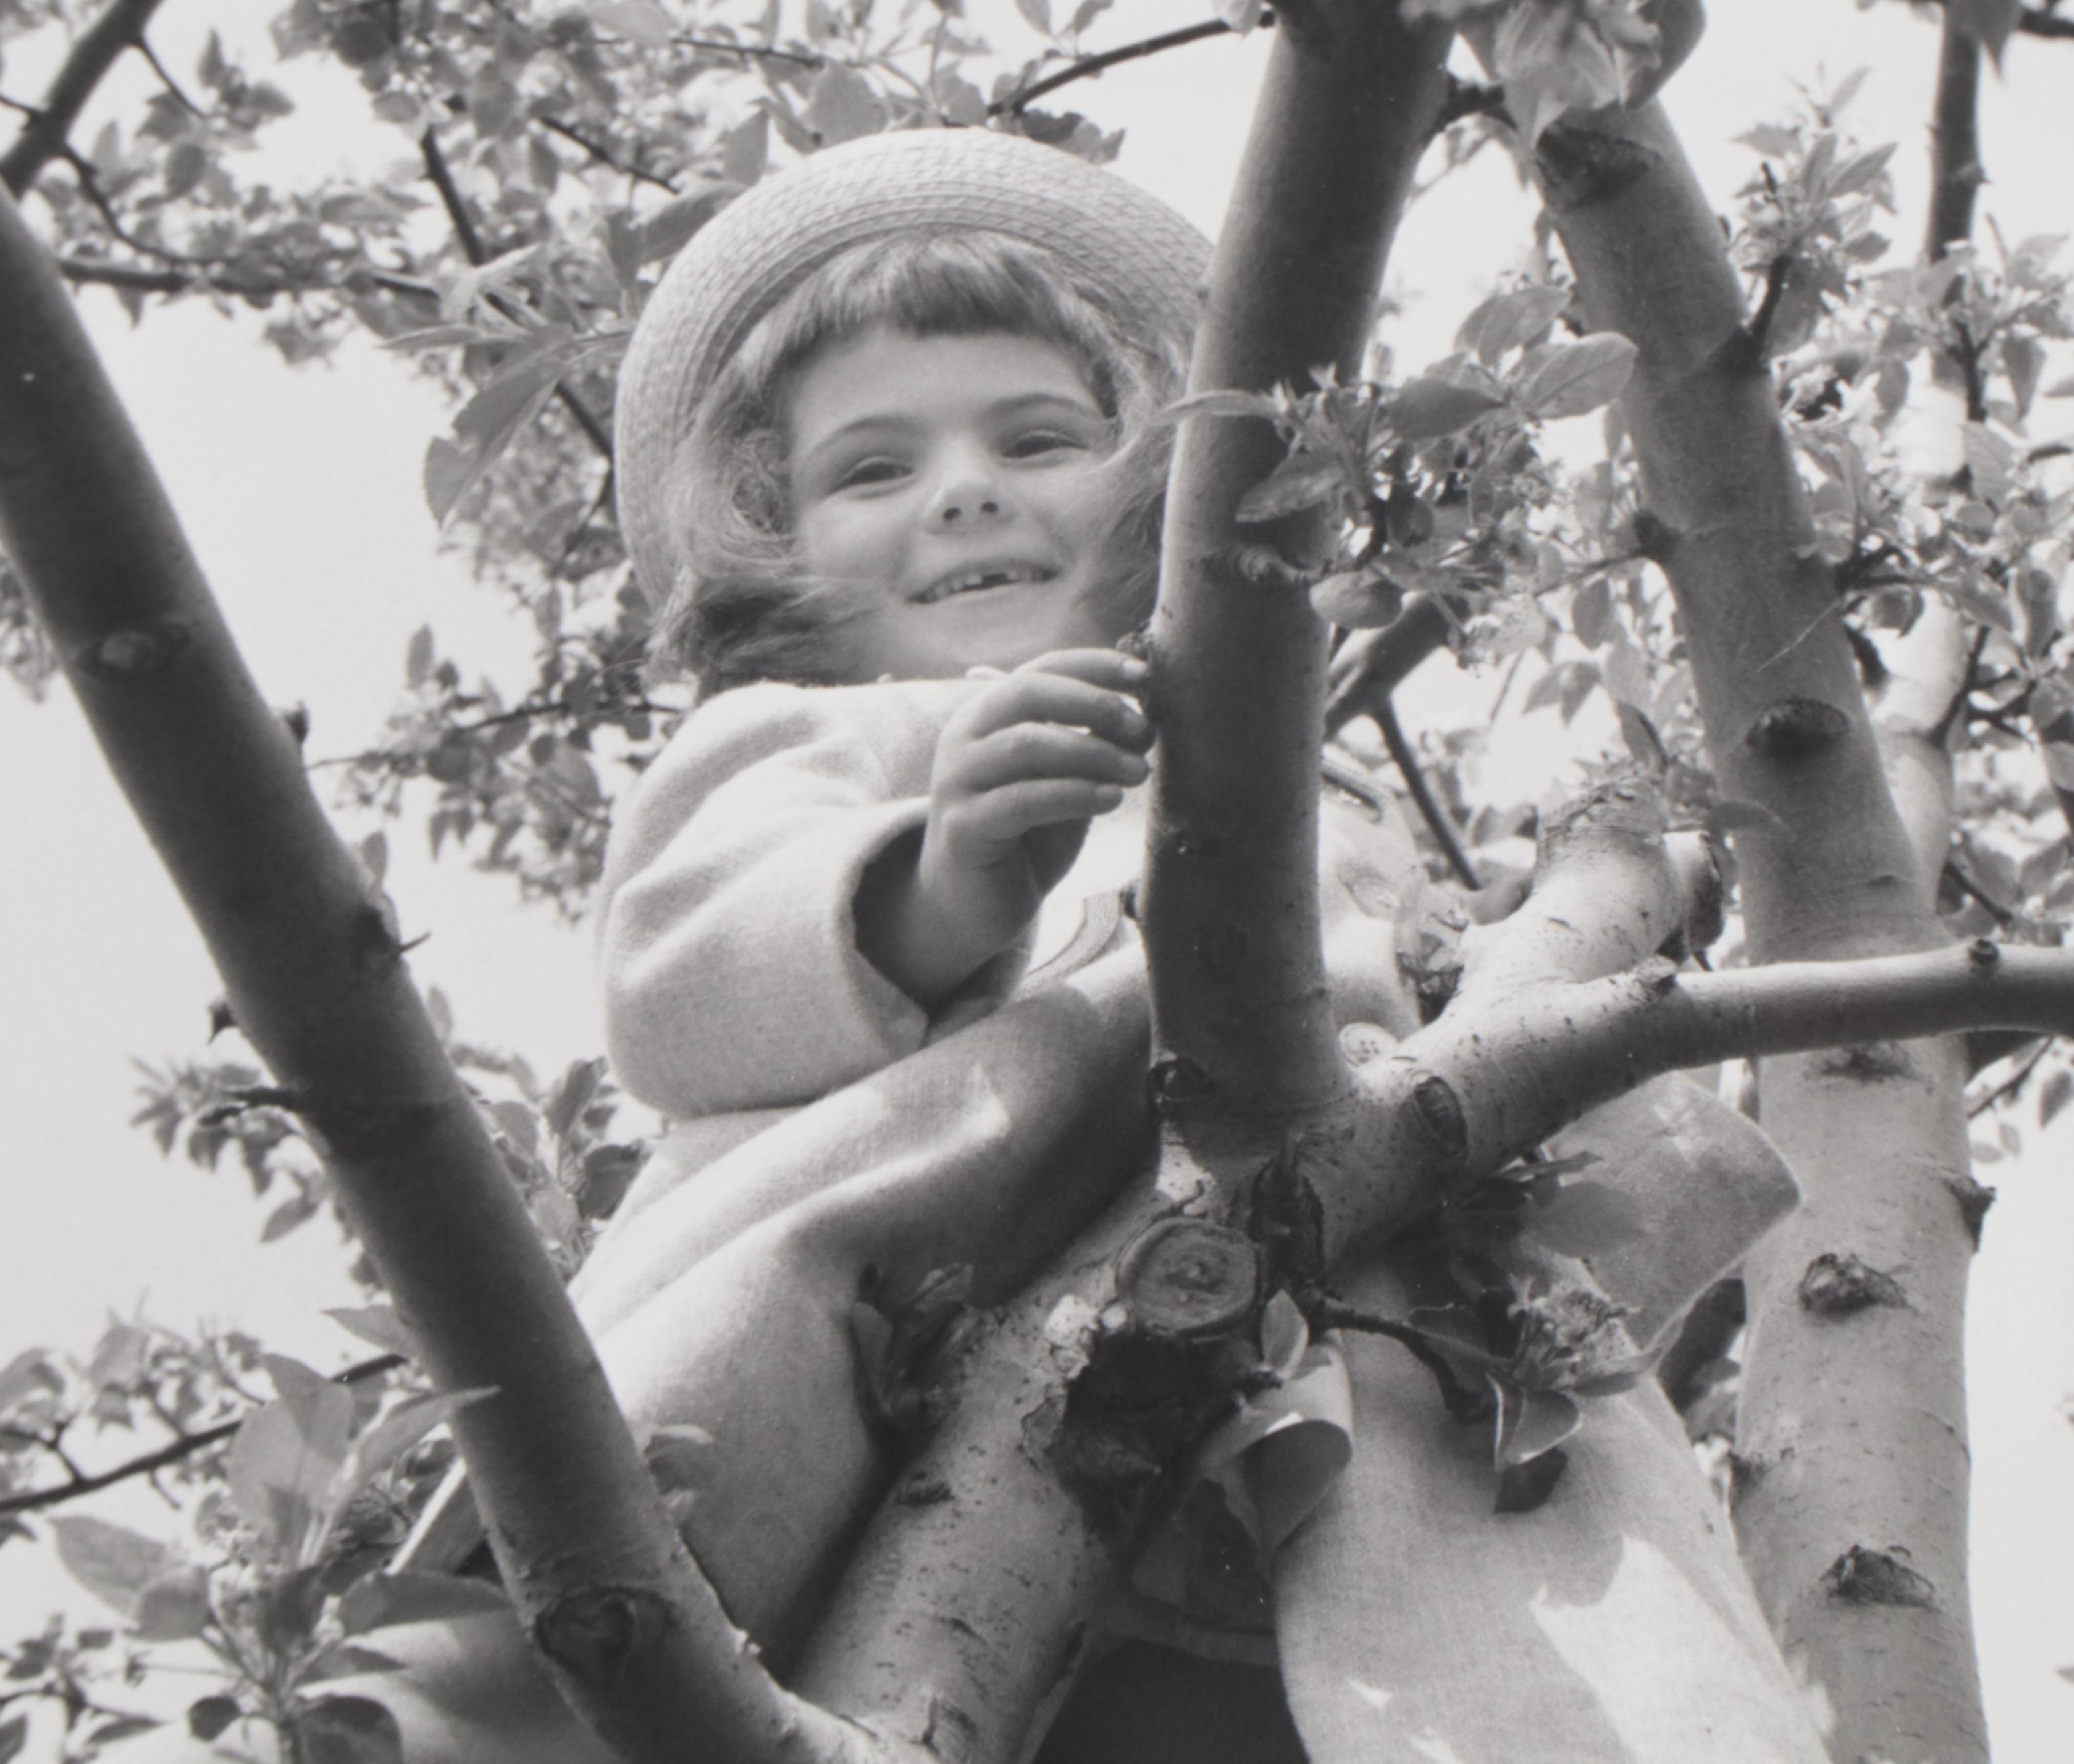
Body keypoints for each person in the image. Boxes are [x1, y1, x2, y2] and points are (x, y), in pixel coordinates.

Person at [344, 125, 1440, 1764]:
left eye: (1039, 436)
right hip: (881, 1318)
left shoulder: (1292, 763)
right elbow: (682, 980)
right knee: (584, 1660)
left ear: (1164, 489)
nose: (966, 487)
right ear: (773, 547)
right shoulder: (816, 732)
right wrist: (945, 880)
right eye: (873, 470)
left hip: (1268, 1307)